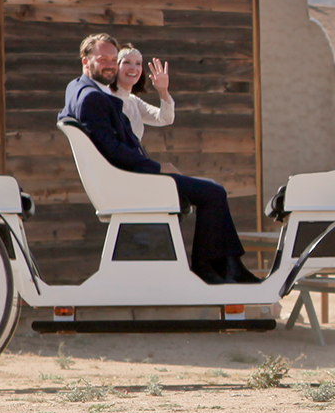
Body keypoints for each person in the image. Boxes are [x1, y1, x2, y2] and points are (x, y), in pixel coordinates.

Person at [61, 34, 257, 285]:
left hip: (127, 175)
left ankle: (227, 266)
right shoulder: (93, 97)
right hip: (130, 180)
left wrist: (163, 90)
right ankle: (211, 268)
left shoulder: (79, 88)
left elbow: (161, 119)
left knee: (207, 188)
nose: (110, 64)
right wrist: (157, 168)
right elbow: (112, 149)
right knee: (214, 193)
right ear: (85, 62)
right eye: (104, 60)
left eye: (113, 58)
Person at [111, 46, 174, 142]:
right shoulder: (104, 97)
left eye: (138, 63)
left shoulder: (134, 102)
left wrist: (163, 90)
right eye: (127, 62)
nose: (133, 68)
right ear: (116, 67)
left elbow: (166, 118)